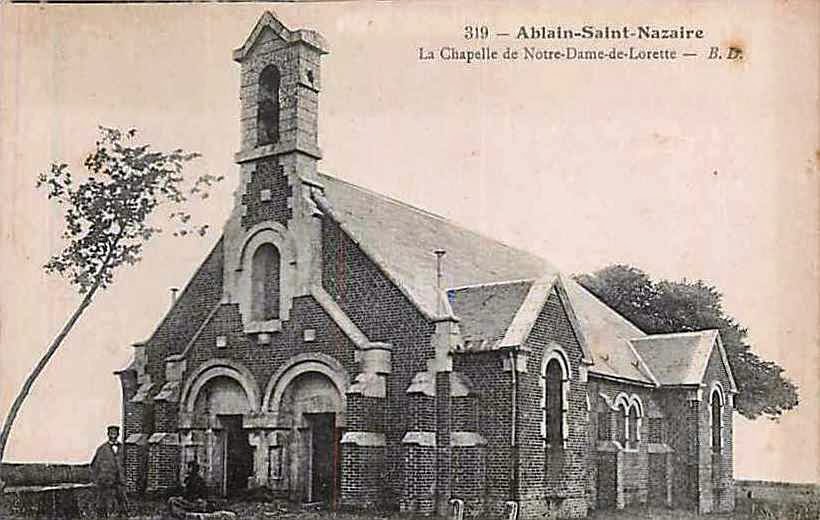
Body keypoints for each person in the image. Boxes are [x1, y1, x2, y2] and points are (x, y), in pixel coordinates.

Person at [90, 425, 128, 519]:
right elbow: (94, 465)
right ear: (108, 434)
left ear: (118, 434)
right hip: (106, 482)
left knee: (122, 502)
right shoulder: (101, 449)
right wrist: (99, 479)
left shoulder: (122, 449)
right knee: (104, 504)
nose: (113, 435)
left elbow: (126, 463)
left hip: (119, 482)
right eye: (111, 433)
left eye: (115, 433)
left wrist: (123, 476)